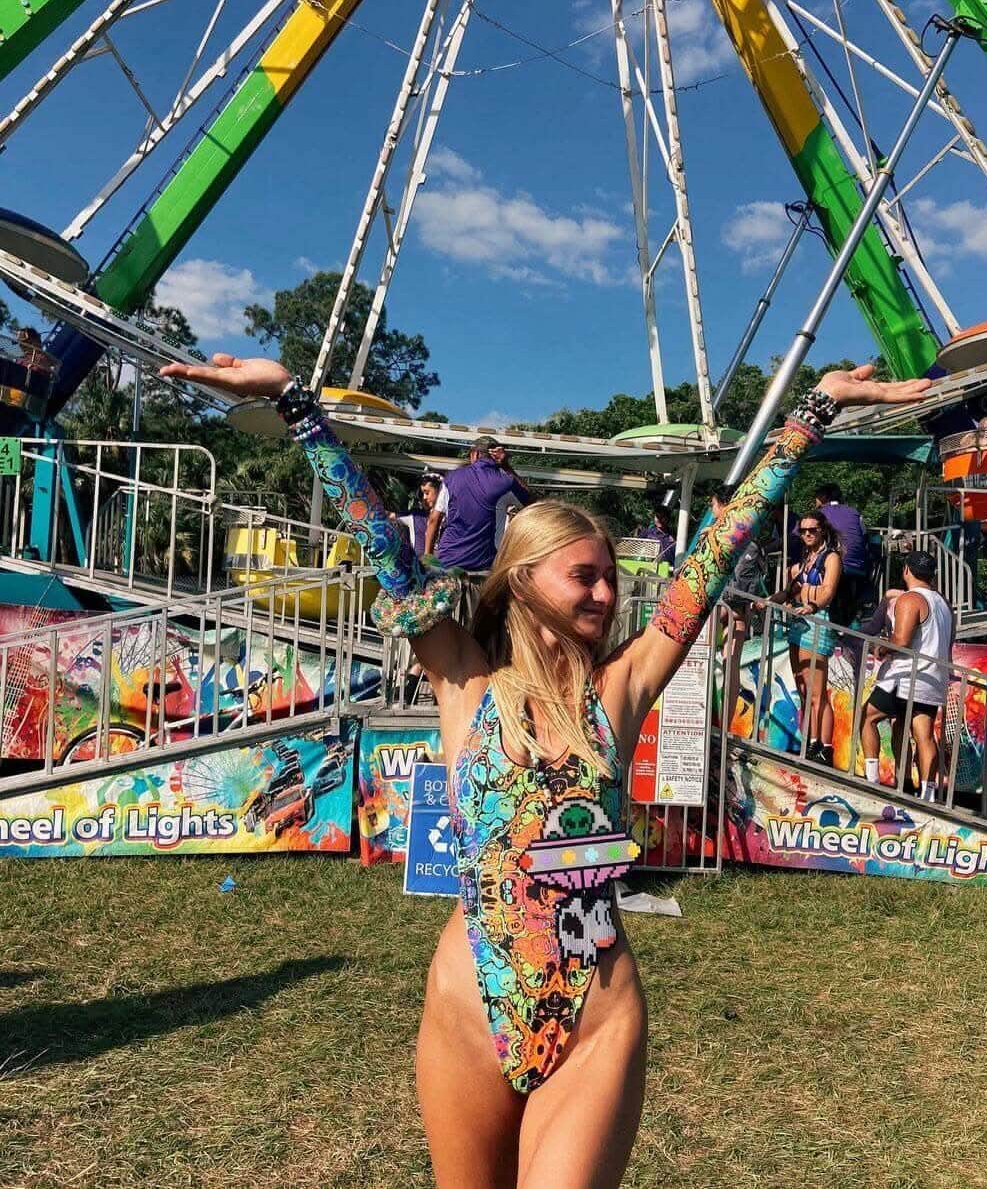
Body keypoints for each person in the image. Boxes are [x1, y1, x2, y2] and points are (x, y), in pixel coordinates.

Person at [160, 350, 928, 1187]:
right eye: (583, 577)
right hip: (467, 1009)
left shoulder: (619, 691)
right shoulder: (464, 678)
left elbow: (707, 562)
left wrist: (810, 414)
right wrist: (296, 405)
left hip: (596, 1014)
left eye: (610, 578)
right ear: (522, 582)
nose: (605, 594)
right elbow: (384, 548)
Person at [859, 550, 954, 801]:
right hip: (933, 679)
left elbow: (901, 640)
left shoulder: (909, 599)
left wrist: (881, 647)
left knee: (867, 717)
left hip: (905, 678)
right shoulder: (944, 604)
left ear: (906, 571)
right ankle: (927, 793)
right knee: (922, 733)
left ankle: (872, 779)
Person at [775, 509, 843, 764]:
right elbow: (792, 589)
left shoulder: (830, 557)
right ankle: (812, 740)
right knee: (803, 687)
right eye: (803, 531)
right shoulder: (807, 557)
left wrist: (811, 604)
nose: (807, 535)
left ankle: (824, 746)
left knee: (817, 691)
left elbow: (828, 591)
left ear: (822, 530)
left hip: (817, 622)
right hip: (799, 622)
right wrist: (772, 600)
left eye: (812, 530)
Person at [711, 486, 768, 734]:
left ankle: (711, 719)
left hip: (719, 606)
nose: (711, 510)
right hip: (740, 608)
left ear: (722, 505)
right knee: (731, 665)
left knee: (708, 660)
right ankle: (725, 723)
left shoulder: (716, 534)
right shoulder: (750, 539)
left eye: (713, 504)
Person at [427, 437, 533, 571]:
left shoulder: (452, 477)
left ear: (475, 454)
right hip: (484, 565)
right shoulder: (506, 482)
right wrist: (506, 466)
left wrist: (428, 557)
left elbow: (433, 520)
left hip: (448, 561)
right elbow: (531, 503)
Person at [814, 482, 870, 622]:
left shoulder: (819, 514)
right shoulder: (854, 512)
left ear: (822, 497)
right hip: (859, 568)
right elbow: (864, 536)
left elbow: (799, 537)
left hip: (833, 568)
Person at [394, 472, 442, 551]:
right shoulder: (415, 516)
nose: (424, 498)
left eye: (427, 493)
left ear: (439, 492)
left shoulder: (450, 517)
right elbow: (387, 515)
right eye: (422, 494)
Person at [635, 504, 675, 569]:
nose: (659, 520)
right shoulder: (647, 533)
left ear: (668, 518)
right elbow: (635, 548)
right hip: (649, 568)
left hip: (669, 570)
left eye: (662, 517)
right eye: (657, 517)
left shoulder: (673, 535)